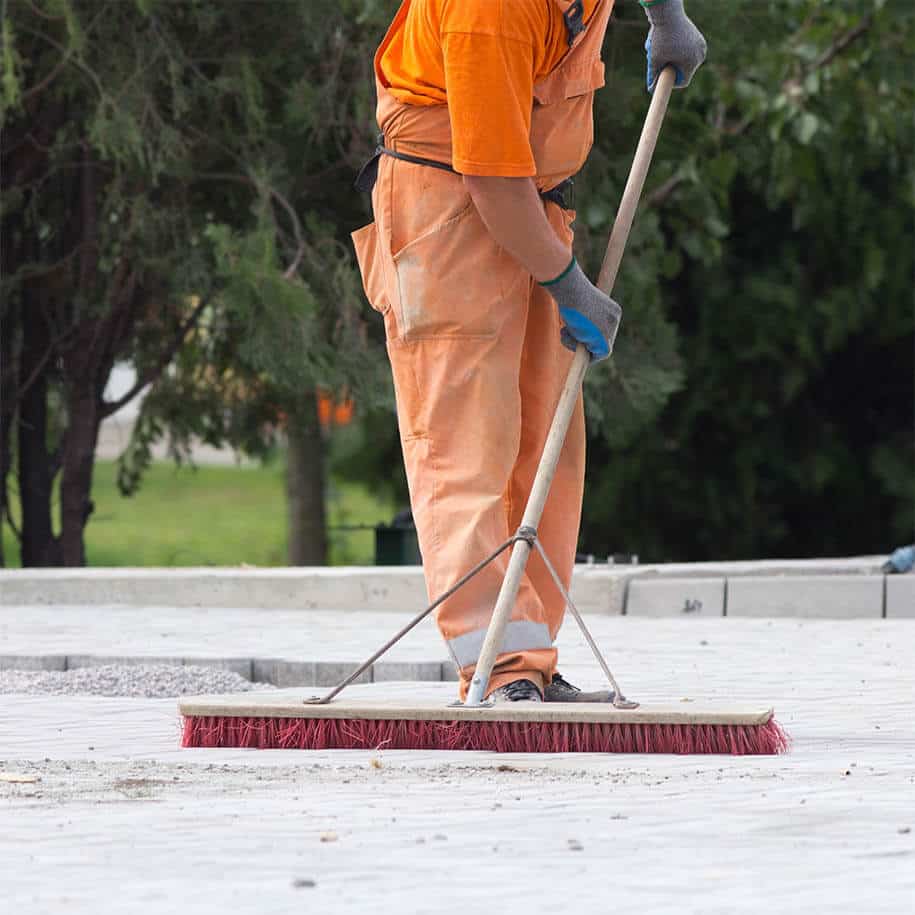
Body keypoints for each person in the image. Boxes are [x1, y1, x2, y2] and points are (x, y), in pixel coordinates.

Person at [352, 0, 706, 702]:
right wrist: (565, 281)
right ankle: (499, 667)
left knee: (546, 439)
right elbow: (488, 176)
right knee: (466, 445)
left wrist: (665, 13)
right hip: (447, 209)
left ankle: (529, 658)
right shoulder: (490, 10)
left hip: (529, 199)